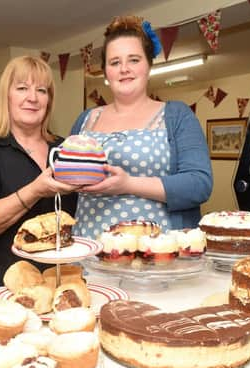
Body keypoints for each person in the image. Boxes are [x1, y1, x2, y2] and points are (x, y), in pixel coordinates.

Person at [70, 16, 213, 238]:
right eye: (115, 62)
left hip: (158, 255)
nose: (124, 69)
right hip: (88, 250)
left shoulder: (176, 115)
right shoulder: (86, 119)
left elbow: (198, 184)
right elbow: (69, 179)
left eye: (134, 60)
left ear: (149, 65)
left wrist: (128, 184)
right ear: (106, 72)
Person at [0, 56, 78, 289]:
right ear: (6, 96)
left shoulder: (64, 149)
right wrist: (36, 190)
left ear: (49, 100)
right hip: (1, 283)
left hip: (58, 281)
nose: (32, 98)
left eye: (41, 90)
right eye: (22, 88)